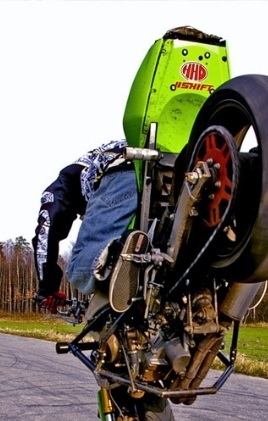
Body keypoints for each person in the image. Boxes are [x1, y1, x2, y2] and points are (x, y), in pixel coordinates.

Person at [32, 26, 231, 314]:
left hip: (125, 176)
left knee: (80, 268)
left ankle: (116, 258)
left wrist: (47, 286)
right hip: (194, 175)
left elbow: (47, 225)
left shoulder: (75, 174)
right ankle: (230, 273)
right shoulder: (157, 141)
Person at [32, 139, 138, 313]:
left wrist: (48, 288)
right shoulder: (98, 154)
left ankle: (120, 257)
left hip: (124, 171)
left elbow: (46, 231)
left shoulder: (63, 184)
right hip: (173, 164)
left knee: (78, 269)